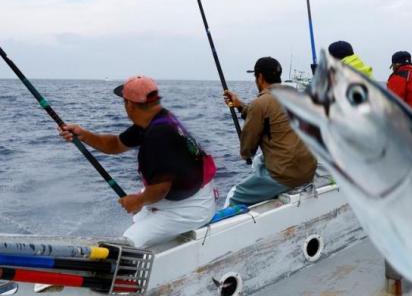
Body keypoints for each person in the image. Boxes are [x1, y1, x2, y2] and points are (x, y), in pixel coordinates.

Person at [59, 76, 216, 248]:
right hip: (177, 195)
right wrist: (83, 134)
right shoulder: (155, 120)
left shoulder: (158, 136)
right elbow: (116, 144)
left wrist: (137, 201)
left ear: (130, 105)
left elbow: (161, 188)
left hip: (190, 207)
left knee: (129, 241)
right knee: (138, 220)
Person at [223, 57, 317, 206]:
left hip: (285, 176)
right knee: (260, 161)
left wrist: (245, 153)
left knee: (233, 196)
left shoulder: (260, 104)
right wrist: (240, 105)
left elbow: (247, 150)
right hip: (308, 170)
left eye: (255, 77)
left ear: (260, 77)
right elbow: (272, 113)